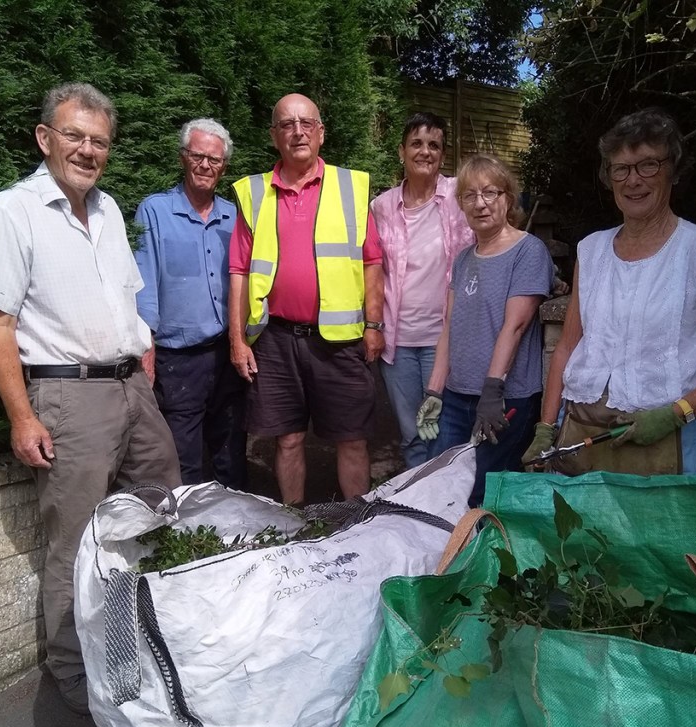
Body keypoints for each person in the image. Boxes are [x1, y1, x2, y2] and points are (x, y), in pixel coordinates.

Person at [0, 82, 180, 714]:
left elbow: (126, 297)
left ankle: (146, 637)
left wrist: (141, 365)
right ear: (44, 138)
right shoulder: (11, 212)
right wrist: (22, 416)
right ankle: (73, 674)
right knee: (77, 539)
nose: (88, 150)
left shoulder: (112, 210)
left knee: (161, 509)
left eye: (99, 141)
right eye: (75, 136)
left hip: (131, 390)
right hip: (67, 397)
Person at [522, 108, 696, 475]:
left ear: (672, 170)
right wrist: (545, 429)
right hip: (579, 429)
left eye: (648, 165)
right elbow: (568, 348)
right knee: (575, 532)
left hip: (661, 440)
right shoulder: (590, 250)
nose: (633, 180)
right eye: (620, 168)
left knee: (656, 534)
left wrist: (676, 413)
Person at [228, 93, 384, 506]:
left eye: (306, 123)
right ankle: (293, 522)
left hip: (340, 340)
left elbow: (372, 262)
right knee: (288, 440)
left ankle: (357, 523)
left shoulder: (351, 187)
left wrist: (374, 325)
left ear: (321, 133)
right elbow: (239, 271)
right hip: (276, 340)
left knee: (353, 440)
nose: (297, 132)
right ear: (274, 136)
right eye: (287, 124)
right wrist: (237, 341)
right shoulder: (254, 192)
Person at [417, 154, 553, 505]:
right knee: (448, 487)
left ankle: (490, 557)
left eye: (490, 193)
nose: (480, 203)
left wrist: (492, 392)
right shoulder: (464, 258)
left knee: (486, 493)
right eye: (469, 195)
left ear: (508, 198)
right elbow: (451, 324)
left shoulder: (528, 251)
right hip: (457, 397)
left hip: (504, 399)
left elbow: (516, 324)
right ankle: (453, 557)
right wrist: (434, 391)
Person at [134, 118, 246, 490]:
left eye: (214, 160)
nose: (205, 166)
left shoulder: (235, 216)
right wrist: (146, 351)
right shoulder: (155, 211)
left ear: (223, 166)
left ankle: (237, 531)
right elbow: (144, 285)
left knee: (231, 449)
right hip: (179, 361)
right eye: (198, 156)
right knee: (183, 455)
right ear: (184, 157)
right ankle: (187, 534)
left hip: (227, 353)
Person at [371, 112, 474, 469]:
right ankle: (418, 510)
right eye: (417, 143)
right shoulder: (381, 207)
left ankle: (447, 508)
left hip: (443, 337)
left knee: (444, 429)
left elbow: (494, 236)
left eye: (434, 145)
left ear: (443, 156)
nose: (425, 151)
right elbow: (371, 270)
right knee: (411, 433)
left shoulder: (460, 196)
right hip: (397, 342)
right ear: (402, 151)